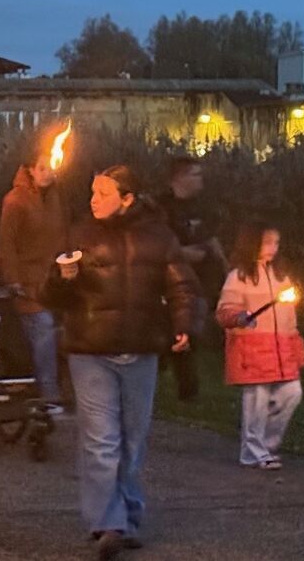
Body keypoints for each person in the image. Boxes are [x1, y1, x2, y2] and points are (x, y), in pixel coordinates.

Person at [45, 165, 197, 560]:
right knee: (101, 440)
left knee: (133, 437)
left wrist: (183, 326)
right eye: (92, 192)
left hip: (141, 348)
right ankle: (106, 523)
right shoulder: (80, 232)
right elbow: (52, 295)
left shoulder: (159, 236)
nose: (93, 200)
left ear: (127, 198)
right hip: (90, 350)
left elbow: (182, 285)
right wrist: (62, 277)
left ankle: (128, 515)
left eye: (103, 193)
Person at [215, 221, 304, 470]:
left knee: (292, 393)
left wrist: (295, 345)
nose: (273, 248)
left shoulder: (281, 276)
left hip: (280, 348)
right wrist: (239, 317)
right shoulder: (239, 277)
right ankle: (254, 452)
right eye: (267, 242)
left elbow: (289, 317)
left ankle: (264, 444)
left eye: (276, 242)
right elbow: (225, 311)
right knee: (256, 400)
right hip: (252, 349)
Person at [0, 151, 68, 413]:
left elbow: (59, 235)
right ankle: (48, 394)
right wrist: (13, 280)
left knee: (58, 330)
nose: (50, 172)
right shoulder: (15, 201)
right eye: (43, 167)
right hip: (26, 282)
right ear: (30, 170)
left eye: (52, 167)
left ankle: (59, 388)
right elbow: (7, 244)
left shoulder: (54, 198)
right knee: (43, 330)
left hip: (51, 279)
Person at [157, 156, 228, 402]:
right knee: (170, 330)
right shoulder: (160, 207)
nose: (201, 180)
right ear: (181, 177)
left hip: (199, 281)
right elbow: (156, 242)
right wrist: (181, 255)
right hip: (169, 283)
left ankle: (187, 390)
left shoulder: (202, 207)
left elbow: (210, 238)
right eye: (195, 175)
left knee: (190, 332)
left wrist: (225, 268)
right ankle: (161, 370)